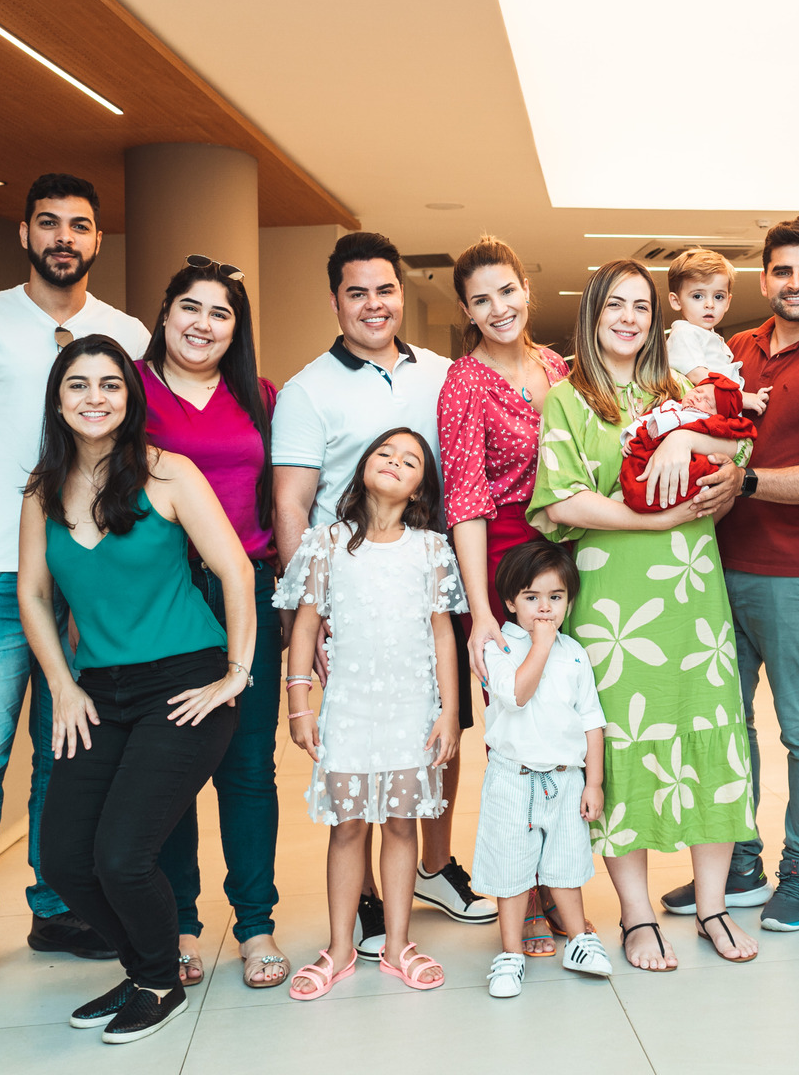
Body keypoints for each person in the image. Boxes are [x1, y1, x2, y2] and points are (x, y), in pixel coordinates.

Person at [0, 172, 148, 1008]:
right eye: (48, 223)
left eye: (79, 226)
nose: (63, 238)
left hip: (82, 578)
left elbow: (134, 454)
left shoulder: (126, 333)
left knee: (66, 754)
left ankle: (55, 908)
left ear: (97, 240)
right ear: (25, 234)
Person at [18, 335, 255, 1045]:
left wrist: (236, 673)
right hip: (98, 691)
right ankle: (143, 968)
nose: (95, 398)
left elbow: (236, 571)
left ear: (130, 397)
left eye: (110, 384)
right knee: (64, 858)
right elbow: (34, 595)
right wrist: (62, 685)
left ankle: (159, 982)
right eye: (78, 385)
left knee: (122, 855)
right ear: (58, 401)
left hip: (183, 683)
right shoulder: (42, 491)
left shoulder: (168, 474)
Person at [528, 259, 758, 972]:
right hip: (613, 604)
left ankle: (713, 907)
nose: (629, 318)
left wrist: (689, 439)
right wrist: (651, 521)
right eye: (614, 305)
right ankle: (636, 914)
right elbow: (563, 499)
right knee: (624, 745)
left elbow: (741, 441)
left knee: (710, 733)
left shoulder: (683, 387)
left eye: (640, 307)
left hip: (694, 599)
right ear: (592, 314)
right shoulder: (568, 400)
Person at [271, 231, 491, 948]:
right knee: (359, 744)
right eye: (356, 292)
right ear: (336, 300)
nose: (374, 304)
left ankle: (433, 866)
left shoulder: (443, 373)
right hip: (351, 600)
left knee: (440, 732)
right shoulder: (307, 390)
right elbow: (291, 505)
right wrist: (309, 617)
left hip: (426, 580)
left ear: (402, 292)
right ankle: (364, 897)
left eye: (385, 289)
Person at [666, 217, 799, 932]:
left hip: (798, 574)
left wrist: (746, 482)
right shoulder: (734, 348)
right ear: (764, 280)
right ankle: (738, 863)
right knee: (726, 725)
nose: (796, 283)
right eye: (783, 271)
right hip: (714, 566)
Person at [135, 256, 289, 990]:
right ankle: (181, 926)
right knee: (171, 765)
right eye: (190, 308)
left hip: (247, 588)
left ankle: (256, 925)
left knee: (248, 765)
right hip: (163, 594)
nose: (202, 324)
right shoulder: (129, 389)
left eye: (220, 313)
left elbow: (282, 495)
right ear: (165, 314)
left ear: (237, 329)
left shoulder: (259, 395)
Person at [278, 428, 464, 998]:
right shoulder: (326, 542)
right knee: (348, 826)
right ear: (363, 467)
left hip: (410, 709)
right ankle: (340, 948)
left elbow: (442, 634)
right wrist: (299, 702)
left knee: (402, 824)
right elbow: (306, 626)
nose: (395, 462)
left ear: (420, 489)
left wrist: (449, 711)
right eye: (385, 453)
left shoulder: (430, 548)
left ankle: (398, 944)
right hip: (350, 709)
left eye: (410, 460)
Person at [437, 237, 578, 954]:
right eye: (481, 299)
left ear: (526, 288)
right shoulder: (463, 382)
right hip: (504, 564)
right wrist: (481, 612)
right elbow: (464, 501)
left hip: (567, 558)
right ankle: (521, 897)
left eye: (507, 291)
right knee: (520, 740)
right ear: (466, 311)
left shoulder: (556, 366)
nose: (498, 308)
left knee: (563, 727)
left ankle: (559, 882)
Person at [477, 540, 614, 998]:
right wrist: (540, 644)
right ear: (510, 601)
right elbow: (517, 694)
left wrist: (593, 782)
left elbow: (592, 720)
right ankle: (510, 953)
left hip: (564, 778)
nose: (544, 608)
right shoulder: (497, 647)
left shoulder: (574, 652)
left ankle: (579, 941)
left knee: (566, 865)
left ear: (568, 602)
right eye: (531, 597)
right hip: (512, 779)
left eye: (555, 597)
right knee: (512, 869)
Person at [619, 373, 756, 512]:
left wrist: (663, 424)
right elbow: (647, 417)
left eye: (707, 401)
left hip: (681, 463)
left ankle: (689, 493)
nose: (698, 397)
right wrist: (631, 433)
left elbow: (686, 421)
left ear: (715, 414)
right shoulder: (673, 405)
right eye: (698, 391)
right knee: (635, 469)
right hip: (652, 452)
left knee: (702, 466)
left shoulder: (703, 418)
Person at [665, 247, 769, 412]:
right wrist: (741, 397)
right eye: (698, 296)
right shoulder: (684, 333)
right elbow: (698, 375)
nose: (710, 304)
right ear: (676, 301)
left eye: (718, 297)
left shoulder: (709, 336)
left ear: (728, 302)